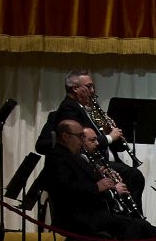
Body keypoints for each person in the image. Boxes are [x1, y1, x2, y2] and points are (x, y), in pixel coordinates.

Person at [39, 120, 156, 241]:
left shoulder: (72, 157)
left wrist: (102, 176)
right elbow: (65, 188)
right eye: (80, 136)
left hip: (91, 213)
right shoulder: (57, 157)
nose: (82, 140)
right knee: (133, 226)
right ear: (65, 136)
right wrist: (97, 187)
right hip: (78, 217)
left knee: (149, 230)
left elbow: (82, 181)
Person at [41, 70, 146, 201]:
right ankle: (132, 218)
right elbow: (82, 142)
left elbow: (113, 145)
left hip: (102, 160)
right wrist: (109, 137)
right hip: (88, 162)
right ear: (75, 88)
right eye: (89, 86)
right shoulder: (69, 107)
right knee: (134, 176)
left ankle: (129, 216)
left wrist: (108, 130)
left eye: (92, 87)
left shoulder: (84, 108)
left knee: (132, 175)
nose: (92, 91)